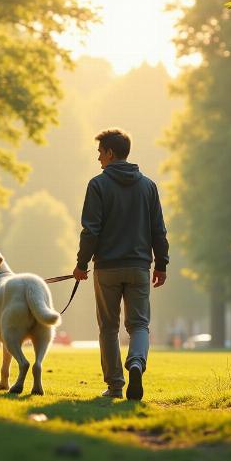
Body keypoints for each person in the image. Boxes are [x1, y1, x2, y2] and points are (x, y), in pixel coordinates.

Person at [73, 128, 169, 401]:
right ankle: (137, 362)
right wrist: (161, 264)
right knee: (139, 325)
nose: (98, 159)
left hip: (107, 268)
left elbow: (90, 230)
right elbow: (158, 230)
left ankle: (115, 385)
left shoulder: (98, 185)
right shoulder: (148, 186)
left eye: (100, 153)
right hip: (139, 267)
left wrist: (81, 264)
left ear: (111, 153)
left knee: (109, 327)